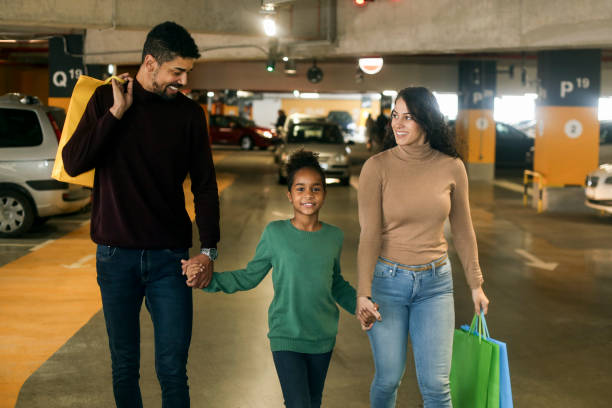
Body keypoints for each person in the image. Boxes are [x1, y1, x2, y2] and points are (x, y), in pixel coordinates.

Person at [62, 21, 219, 408]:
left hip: (171, 260)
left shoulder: (189, 115)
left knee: (172, 368)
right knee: (124, 366)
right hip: (116, 259)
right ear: (150, 63)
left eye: (187, 73)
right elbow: (74, 161)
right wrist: (116, 113)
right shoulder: (105, 100)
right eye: (176, 72)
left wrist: (209, 250)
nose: (182, 81)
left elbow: (204, 186)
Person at [186, 150, 358, 408]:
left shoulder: (334, 236)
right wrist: (209, 281)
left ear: (324, 193)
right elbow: (249, 276)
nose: (308, 195)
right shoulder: (275, 234)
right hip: (286, 335)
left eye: (315, 188)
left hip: (322, 336)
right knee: (298, 403)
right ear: (289, 195)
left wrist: (361, 304)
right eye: (300, 189)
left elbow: (336, 283)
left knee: (312, 402)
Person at [355, 87, 490, 408]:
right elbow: (369, 234)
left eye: (409, 117)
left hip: (435, 285)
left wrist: (476, 284)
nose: (398, 125)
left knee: (436, 386)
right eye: (394, 116)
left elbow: (463, 229)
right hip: (388, 284)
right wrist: (363, 292)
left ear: (427, 121)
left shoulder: (451, 167)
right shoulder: (377, 167)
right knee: (388, 379)